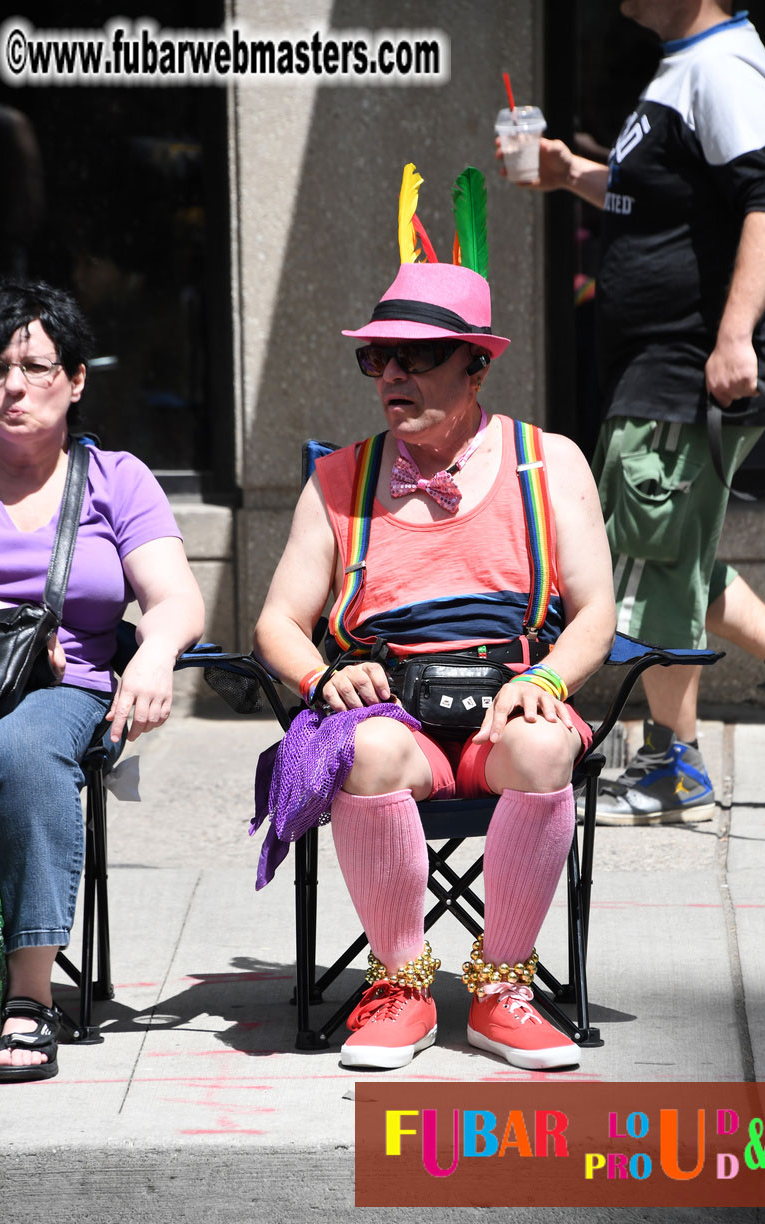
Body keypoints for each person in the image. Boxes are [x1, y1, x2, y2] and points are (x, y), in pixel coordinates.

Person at [253, 182, 616, 1071]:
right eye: (376, 359)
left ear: (474, 368)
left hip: (509, 698)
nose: (391, 377)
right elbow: (278, 620)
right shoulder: (340, 478)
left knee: (544, 745)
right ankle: (401, 987)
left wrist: (547, 681)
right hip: (390, 707)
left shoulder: (550, 462)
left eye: (415, 358)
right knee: (365, 748)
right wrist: (321, 677)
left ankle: (502, 989)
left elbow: (597, 613)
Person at [504, 1, 765, 825]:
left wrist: (734, 335)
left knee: (644, 560)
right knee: (660, 549)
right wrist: (573, 175)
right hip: (657, 370)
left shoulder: (721, 69)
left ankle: (673, 767)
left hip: (683, 369)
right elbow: (662, 202)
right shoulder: (687, 64)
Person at [0, 278, 205, 1082]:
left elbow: (178, 598)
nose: (12, 387)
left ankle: (28, 1000)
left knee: (21, 753)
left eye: (35, 368)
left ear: (75, 380)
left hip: (62, 690)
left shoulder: (116, 479)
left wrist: (155, 652)